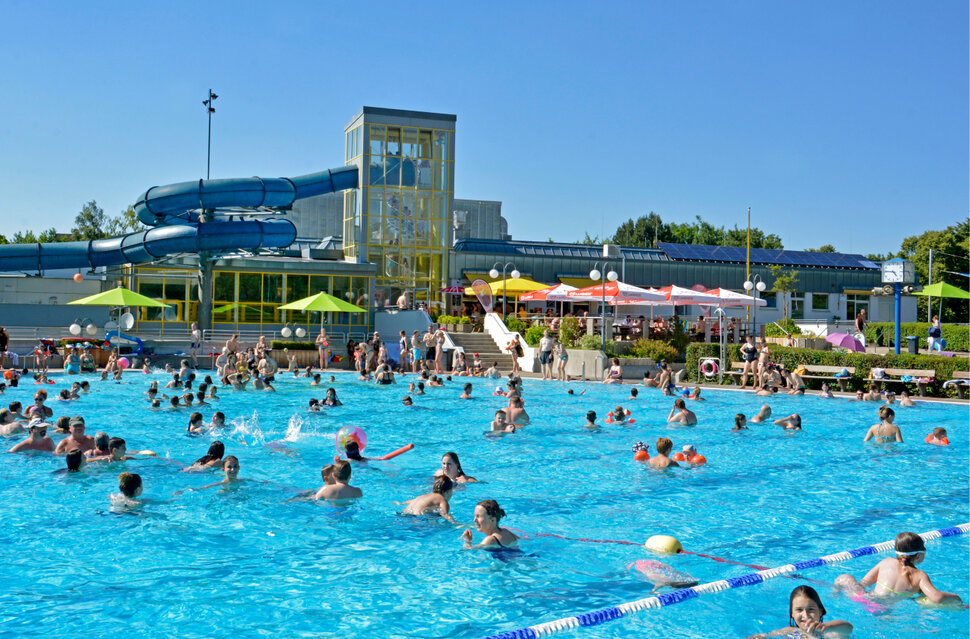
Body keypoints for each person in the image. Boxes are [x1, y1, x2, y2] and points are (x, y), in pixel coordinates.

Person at [835, 531, 962, 605]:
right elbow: (937, 597)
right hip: (884, 609)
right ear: (919, 555)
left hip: (864, 600)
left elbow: (864, 583)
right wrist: (955, 597)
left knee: (844, 577)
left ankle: (834, 595)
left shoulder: (886, 562)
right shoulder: (920, 576)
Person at [745, 585, 852, 639]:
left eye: (811, 609)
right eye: (799, 610)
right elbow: (769, 635)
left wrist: (826, 627)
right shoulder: (792, 631)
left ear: (820, 611)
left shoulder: (829, 634)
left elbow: (848, 628)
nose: (805, 615)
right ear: (792, 613)